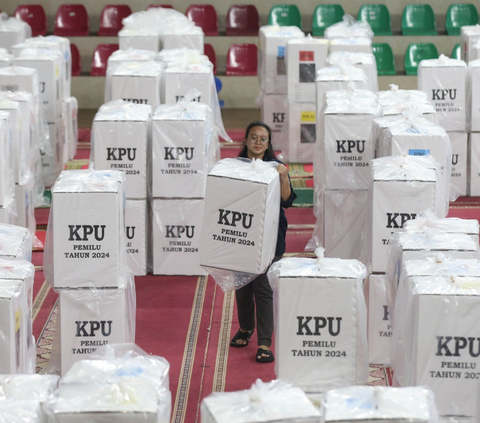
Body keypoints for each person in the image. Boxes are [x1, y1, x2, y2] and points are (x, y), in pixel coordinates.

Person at [230, 121, 296, 363]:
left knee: (263, 288)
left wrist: (284, 177)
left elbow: (287, 201)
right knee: (243, 286)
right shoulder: (233, 168)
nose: (258, 142)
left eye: (263, 139)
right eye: (254, 137)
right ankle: (246, 327)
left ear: (268, 144)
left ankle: (265, 342)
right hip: (240, 234)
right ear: (246, 139)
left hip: (270, 237)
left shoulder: (276, 168)